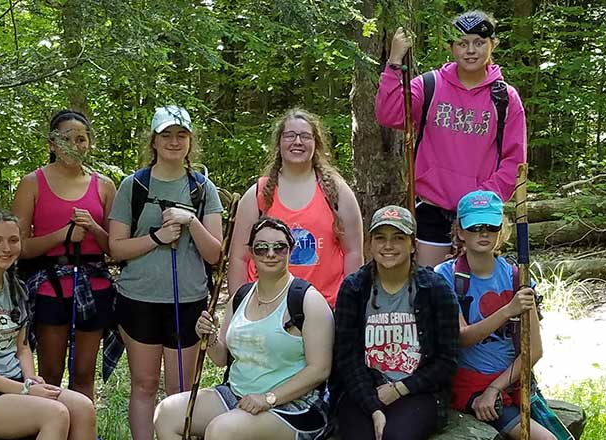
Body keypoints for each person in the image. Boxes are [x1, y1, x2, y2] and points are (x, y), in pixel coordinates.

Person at [153, 217, 333, 440]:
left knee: (221, 430)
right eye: (261, 248)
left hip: (292, 405)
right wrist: (209, 339)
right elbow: (221, 358)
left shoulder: (308, 300)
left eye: (279, 247)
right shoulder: (241, 296)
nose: (270, 253)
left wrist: (269, 398)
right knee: (167, 413)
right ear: (251, 253)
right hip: (237, 394)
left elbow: (320, 370)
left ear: (290, 250)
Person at [375, 10, 527, 268]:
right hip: (432, 212)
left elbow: (514, 162)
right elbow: (389, 114)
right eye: (462, 43)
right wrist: (394, 61)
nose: (471, 50)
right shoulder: (429, 85)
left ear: (493, 44)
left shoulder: (505, 98)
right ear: (451, 46)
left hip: (480, 215)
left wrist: (481, 199)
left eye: (479, 43)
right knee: (429, 290)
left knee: (474, 293)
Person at [107, 105, 224, 440]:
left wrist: (192, 222)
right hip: (138, 299)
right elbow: (116, 248)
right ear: (154, 141)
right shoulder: (134, 186)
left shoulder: (202, 189)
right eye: (167, 135)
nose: (174, 142)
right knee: (144, 385)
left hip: (187, 300)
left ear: (190, 141)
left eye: (181, 135)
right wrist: (157, 238)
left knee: (180, 391)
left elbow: (215, 253)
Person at [0, 208, 96, 440]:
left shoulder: (16, 287)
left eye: (13, 240)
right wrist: (27, 390)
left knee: (83, 408)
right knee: (56, 414)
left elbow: (22, 347)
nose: (6, 248)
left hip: (15, 382)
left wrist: (30, 379)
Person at [433, 190, 558, 440]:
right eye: (475, 226)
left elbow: (534, 350)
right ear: (460, 232)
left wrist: (496, 388)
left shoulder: (517, 277)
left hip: (511, 382)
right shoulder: (445, 276)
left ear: (502, 230)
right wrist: (508, 311)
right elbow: (461, 337)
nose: (483, 232)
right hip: (469, 384)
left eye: (491, 226)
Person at [11, 109, 117, 399]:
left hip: (94, 284)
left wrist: (93, 227)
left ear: (89, 143)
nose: (74, 144)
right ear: (52, 144)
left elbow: (115, 247)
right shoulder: (32, 183)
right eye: (66, 138)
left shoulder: (105, 186)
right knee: (51, 372)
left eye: (81, 138)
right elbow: (17, 246)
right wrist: (62, 236)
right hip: (48, 285)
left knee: (84, 374)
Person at [331, 206, 460, 440]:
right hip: (362, 389)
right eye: (380, 238)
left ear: (413, 245)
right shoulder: (354, 289)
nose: (388, 246)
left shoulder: (436, 289)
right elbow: (346, 357)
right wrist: (373, 407)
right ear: (370, 244)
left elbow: (446, 361)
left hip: (418, 391)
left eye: (398, 238)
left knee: (395, 437)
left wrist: (400, 389)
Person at [227, 108, 363, 308]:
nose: (297, 141)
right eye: (290, 135)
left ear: (316, 144)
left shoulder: (336, 191)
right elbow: (239, 257)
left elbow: (353, 253)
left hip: (325, 308)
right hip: (265, 309)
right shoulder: (258, 194)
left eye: (305, 136)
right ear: (279, 143)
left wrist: (350, 305)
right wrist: (239, 307)